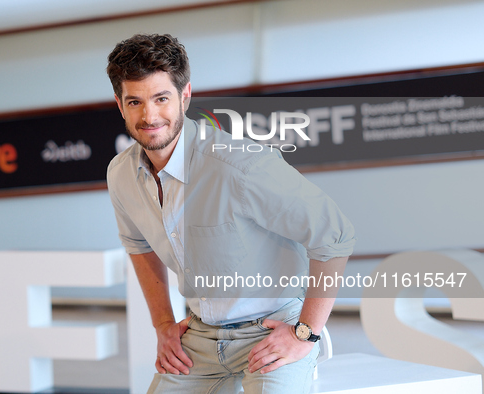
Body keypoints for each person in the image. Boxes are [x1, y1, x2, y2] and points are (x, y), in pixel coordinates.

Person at [106, 33, 356, 394]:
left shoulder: (240, 165)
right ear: (119, 103)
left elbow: (335, 235)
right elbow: (138, 244)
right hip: (198, 338)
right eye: (135, 101)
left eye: (161, 98)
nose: (149, 115)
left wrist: (306, 332)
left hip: (271, 331)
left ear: (185, 95)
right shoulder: (121, 175)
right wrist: (163, 324)